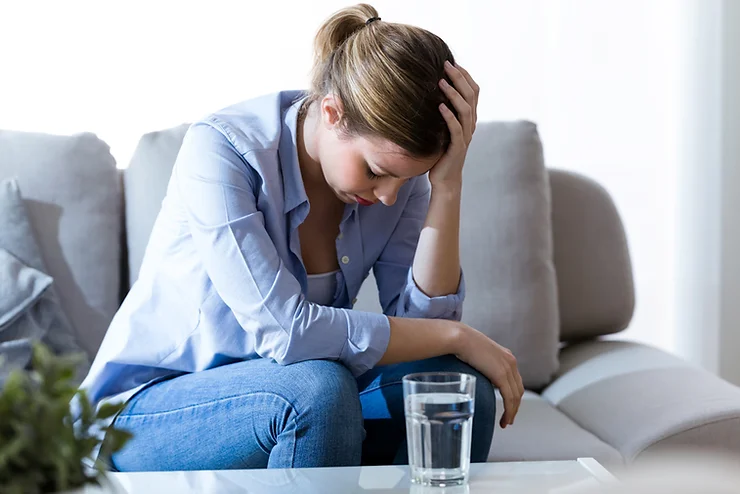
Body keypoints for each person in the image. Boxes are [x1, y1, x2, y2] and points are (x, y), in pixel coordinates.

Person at [79, 3, 524, 471]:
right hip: (148, 411)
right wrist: (458, 334)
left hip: (291, 394)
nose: (390, 197)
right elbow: (287, 334)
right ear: (332, 112)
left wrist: (446, 186)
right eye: (375, 171)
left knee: (452, 388)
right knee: (317, 391)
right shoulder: (222, 151)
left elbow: (424, 324)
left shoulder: (393, 178)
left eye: (405, 179)